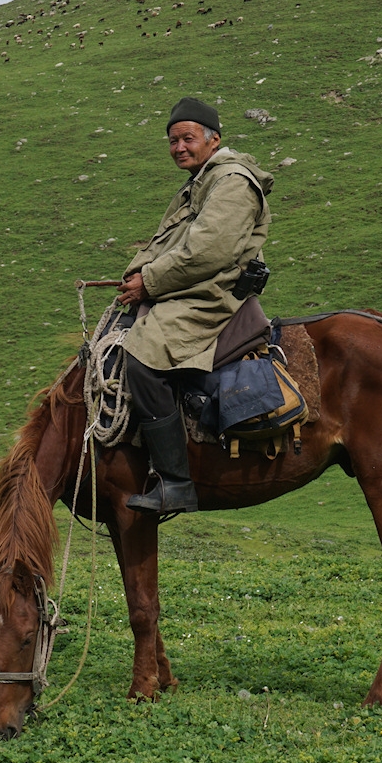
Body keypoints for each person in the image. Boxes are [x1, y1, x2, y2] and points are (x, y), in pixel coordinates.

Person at [116, 97, 274, 515]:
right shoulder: (201, 181)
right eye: (172, 141)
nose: (179, 147)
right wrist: (138, 275)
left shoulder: (234, 182)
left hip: (211, 293)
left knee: (143, 357)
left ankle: (176, 482)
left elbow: (208, 251)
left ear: (213, 139)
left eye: (187, 138)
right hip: (189, 286)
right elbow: (172, 243)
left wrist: (148, 282)